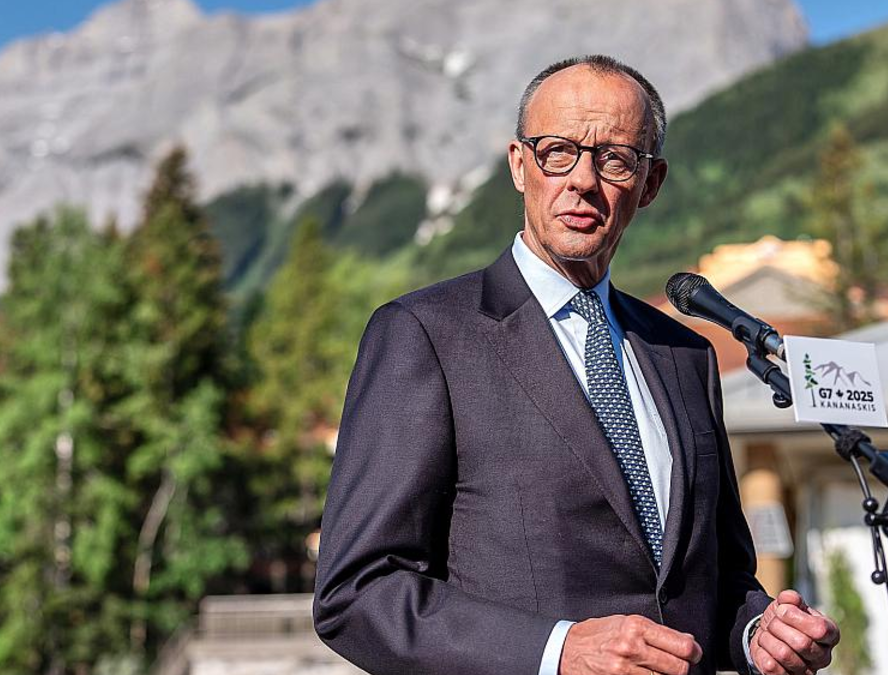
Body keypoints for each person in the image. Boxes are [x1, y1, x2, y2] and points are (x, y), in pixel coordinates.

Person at [313, 54, 840, 675]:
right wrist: (557, 651)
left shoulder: (684, 355)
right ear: (519, 165)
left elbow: (711, 582)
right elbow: (359, 592)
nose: (583, 180)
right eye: (557, 151)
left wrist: (758, 631)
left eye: (615, 158)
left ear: (651, 184)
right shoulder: (426, 334)